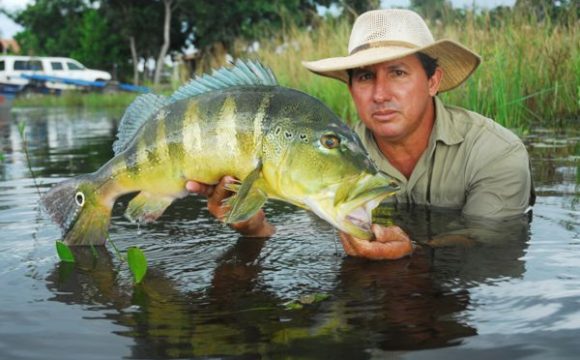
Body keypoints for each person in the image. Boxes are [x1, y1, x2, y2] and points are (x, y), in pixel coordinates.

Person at [187, 9, 534, 260]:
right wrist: (254, 229)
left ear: (433, 81)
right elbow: (311, 238)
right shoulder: (326, 157)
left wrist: (412, 252)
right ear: (351, 88)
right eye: (366, 77)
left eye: (397, 73)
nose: (380, 94)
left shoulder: (496, 152)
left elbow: (494, 244)